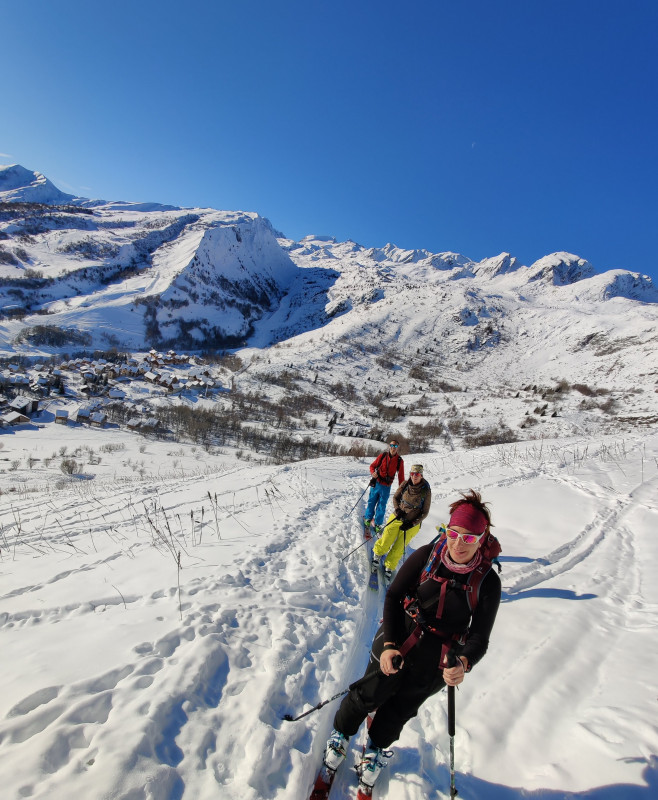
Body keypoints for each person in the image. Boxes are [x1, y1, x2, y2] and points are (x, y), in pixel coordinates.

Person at [323, 490, 501, 790]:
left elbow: (480, 636)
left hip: (438, 660)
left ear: (482, 539)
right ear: (446, 530)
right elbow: (393, 596)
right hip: (401, 637)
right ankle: (341, 734)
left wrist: (464, 662)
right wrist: (390, 644)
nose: (459, 543)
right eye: (454, 533)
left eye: (469, 538)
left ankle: (376, 749)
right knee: (370, 691)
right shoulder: (427, 556)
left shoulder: (487, 582)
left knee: (401, 709)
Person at [372, 464, 431, 580]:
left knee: (399, 546)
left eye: (417, 474)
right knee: (387, 537)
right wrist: (397, 509)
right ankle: (378, 553)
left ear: (421, 475)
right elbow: (395, 498)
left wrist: (412, 523)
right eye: (413, 474)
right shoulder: (405, 484)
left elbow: (425, 512)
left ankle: (389, 565)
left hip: (412, 524)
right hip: (397, 517)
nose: (414, 476)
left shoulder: (426, 491)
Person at [363, 440, 405, 534]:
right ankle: (368, 518)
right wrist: (373, 473)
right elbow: (372, 466)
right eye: (391, 445)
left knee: (382, 506)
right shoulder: (382, 456)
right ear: (389, 446)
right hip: (377, 483)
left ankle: (378, 523)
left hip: (386, 487)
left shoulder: (399, 461)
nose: (393, 447)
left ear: (397, 448)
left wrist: (402, 490)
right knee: (371, 501)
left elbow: (401, 476)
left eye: (395, 445)